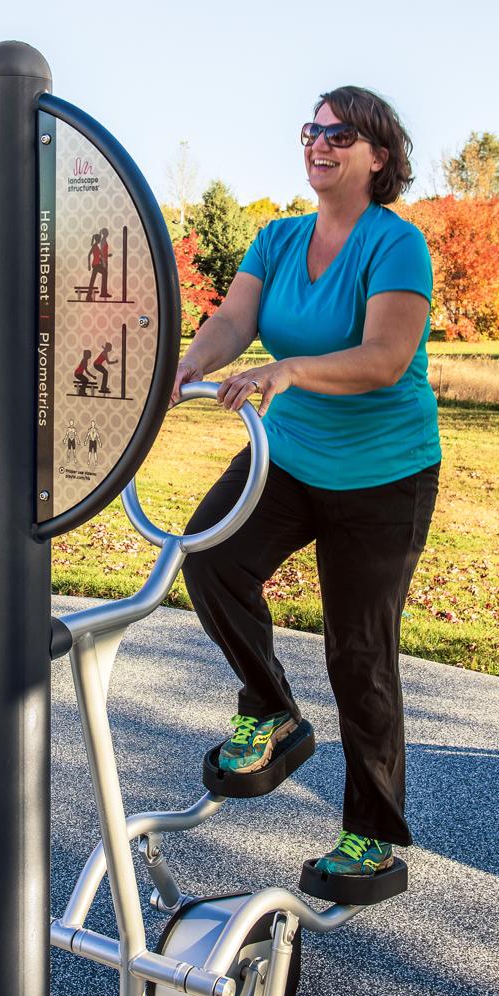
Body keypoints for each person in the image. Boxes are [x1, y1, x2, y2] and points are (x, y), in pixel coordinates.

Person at [174, 87, 438, 878]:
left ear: (378, 156)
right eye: (312, 131)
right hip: (286, 455)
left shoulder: (396, 245)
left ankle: (373, 837)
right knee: (210, 557)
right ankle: (273, 712)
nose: (319, 143)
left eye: (340, 134)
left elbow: (385, 358)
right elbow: (232, 321)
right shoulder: (278, 238)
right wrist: (188, 363)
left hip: (383, 473)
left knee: (359, 651)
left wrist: (290, 368)